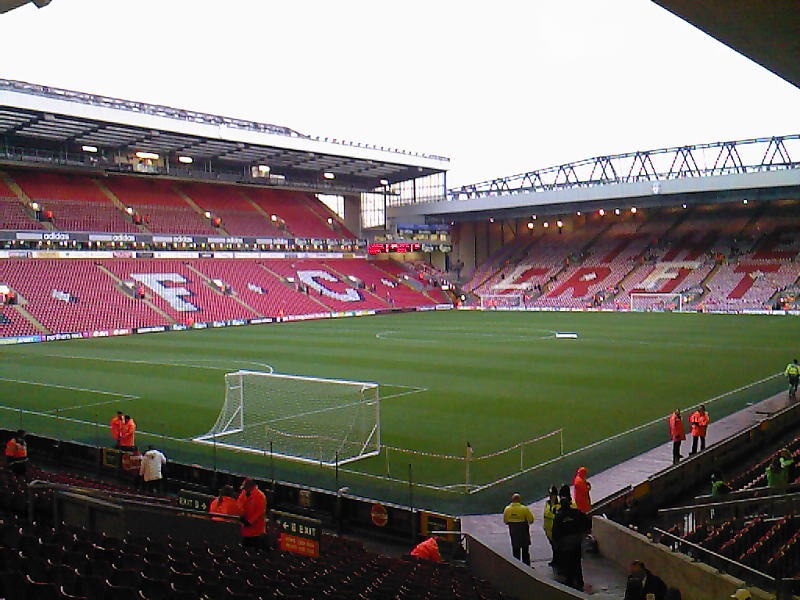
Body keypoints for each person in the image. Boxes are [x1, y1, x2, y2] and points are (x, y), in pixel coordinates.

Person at [552, 494, 591, 591]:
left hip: (565, 543)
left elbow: (555, 531)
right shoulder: (576, 513)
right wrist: (583, 533)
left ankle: (569, 583)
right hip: (576, 541)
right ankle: (579, 581)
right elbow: (587, 521)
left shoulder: (559, 516)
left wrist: (557, 543)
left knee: (567, 563)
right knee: (577, 562)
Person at [502, 492, 534, 566]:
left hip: (514, 533)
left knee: (515, 550)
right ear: (519, 500)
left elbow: (505, 521)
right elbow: (531, 520)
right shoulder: (524, 509)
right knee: (525, 550)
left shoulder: (507, 509)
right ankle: (527, 567)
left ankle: (516, 566)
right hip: (524, 532)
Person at [237, 478, 267, 547]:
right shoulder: (243, 493)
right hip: (244, 530)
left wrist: (249, 522)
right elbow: (239, 504)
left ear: (250, 486)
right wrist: (240, 515)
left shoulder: (260, 496)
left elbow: (259, 512)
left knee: (253, 548)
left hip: (256, 531)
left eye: (245, 487)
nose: (244, 489)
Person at [542, 486, 560, 567]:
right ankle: (555, 559)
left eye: (552, 494)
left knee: (557, 546)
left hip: (555, 528)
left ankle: (558, 561)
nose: (551, 496)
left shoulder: (558, 505)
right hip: (548, 529)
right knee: (553, 546)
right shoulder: (547, 503)